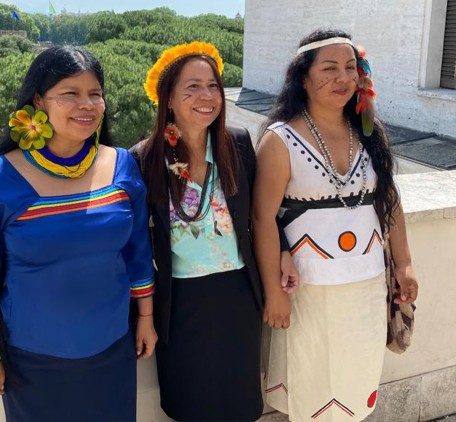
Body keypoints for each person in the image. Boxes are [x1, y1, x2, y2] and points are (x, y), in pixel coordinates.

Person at [0, 46, 156, 421]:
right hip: (33, 361)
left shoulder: (123, 166)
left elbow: (137, 252)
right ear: (38, 101)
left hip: (112, 348)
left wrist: (145, 317)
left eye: (95, 93)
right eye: (70, 93)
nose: (87, 104)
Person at [252, 30, 419, 421]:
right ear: (304, 78)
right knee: (313, 389)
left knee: (355, 383)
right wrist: (275, 292)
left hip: (367, 285)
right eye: (329, 69)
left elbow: (389, 201)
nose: (342, 78)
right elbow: (262, 218)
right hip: (309, 290)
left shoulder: (369, 133)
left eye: (350, 68)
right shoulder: (280, 139)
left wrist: (405, 263)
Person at [131, 41, 297, 421]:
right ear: (168, 98)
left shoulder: (237, 143)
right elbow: (138, 241)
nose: (206, 96)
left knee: (237, 398)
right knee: (190, 400)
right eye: (192, 87)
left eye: (213, 86)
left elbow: (262, 210)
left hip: (239, 293)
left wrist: (284, 252)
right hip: (180, 300)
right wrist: (143, 314)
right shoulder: (145, 157)